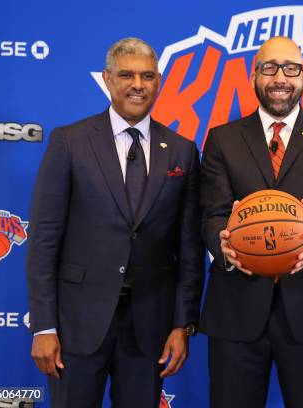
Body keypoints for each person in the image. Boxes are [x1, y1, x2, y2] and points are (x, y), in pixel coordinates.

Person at [26, 37, 204, 407]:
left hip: (150, 327)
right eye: (126, 75)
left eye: (147, 76)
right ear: (108, 79)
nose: (137, 85)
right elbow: (44, 240)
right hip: (77, 324)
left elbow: (189, 247)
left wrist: (181, 324)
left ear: (158, 81)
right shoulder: (70, 142)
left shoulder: (183, 150)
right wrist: (44, 326)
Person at [199, 36, 303, 408]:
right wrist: (221, 243)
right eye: (269, 68)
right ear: (254, 76)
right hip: (236, 309)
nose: (280, 77)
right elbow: (211, 213)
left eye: (291, 68)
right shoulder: (222, 139)